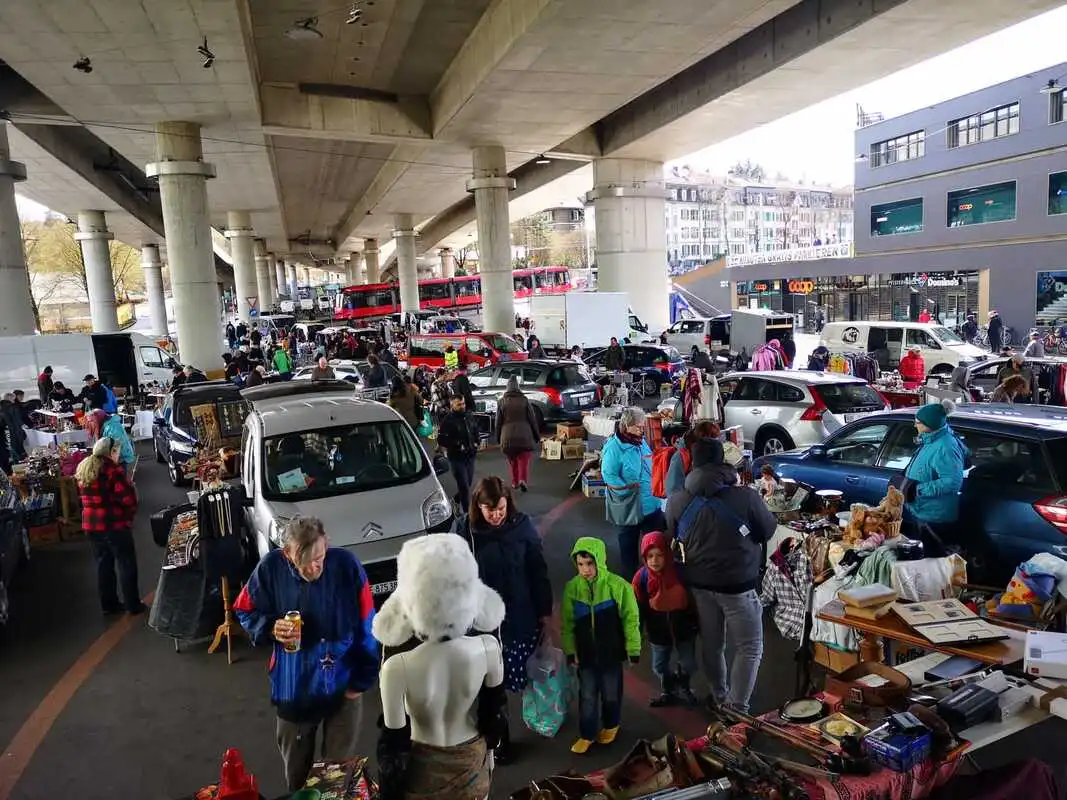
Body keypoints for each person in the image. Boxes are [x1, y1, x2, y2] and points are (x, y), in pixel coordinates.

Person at [234, 517, 381, 792]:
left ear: (327, 544)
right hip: (294, 689)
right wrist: (269, 627)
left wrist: (361, 681)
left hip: (343, 688)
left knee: (335, 779)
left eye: (321, 558)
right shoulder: (270, 568)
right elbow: (244, 609)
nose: (316, 567)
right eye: (307, 562)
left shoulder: (347, 565)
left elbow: (368, 623)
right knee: (298, 780)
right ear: (287, 553)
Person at [373, 535, 506, 800]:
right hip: (472, 760)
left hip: (422, 767)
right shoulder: (488, 647)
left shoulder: (396, 668)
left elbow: (394, 749)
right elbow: (494, 719)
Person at [665, 437, 776, 713]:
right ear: (723, 461)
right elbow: (767, 531)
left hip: (699, 584)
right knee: (749, 646)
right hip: (738, 585)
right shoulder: (747, 497)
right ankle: (737, 710)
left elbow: (671, 537)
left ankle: (719, 695)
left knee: (713, 644)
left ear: (693, 462)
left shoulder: (677, 501)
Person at [464, 478, 552, 762]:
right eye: (488, 509)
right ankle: (498, 740)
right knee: (490, 685)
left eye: (500, 508)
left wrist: (544, 612)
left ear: (508, 503)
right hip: (482, 624)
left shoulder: (522, 526)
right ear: (478, 507)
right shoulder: (465, 532)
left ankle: (544, 715)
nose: (496, 514)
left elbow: (538, 570)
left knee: (524, 675)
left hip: (519, 617)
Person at [560, 536, 641, 754]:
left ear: (600, 561)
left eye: (590, 563)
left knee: (611, 693)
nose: (585, 569)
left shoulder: (619, 587)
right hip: (586, 655)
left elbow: (631, 619)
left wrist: (633, 650)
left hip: (611, 654)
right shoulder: (572, 589)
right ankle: (586, 734)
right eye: (580, 564)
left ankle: (611, 724)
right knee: (587, 696)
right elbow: (567, 625)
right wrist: (570, 650)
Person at [75, 436, 143, 616]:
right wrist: (132, 495)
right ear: (110, 451)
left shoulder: (84, 467)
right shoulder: (112, 471)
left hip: (92, 526)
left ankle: (109, 605)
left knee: (103, 565)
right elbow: (127, 500)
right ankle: (132, 604)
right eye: (117, 450)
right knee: (126, 564)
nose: (118, 454)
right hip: (114, 525)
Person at [632, 532, 699, 707]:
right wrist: (637, 632)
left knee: (688, 664)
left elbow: (694, 599)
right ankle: (668, 689)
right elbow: (638, 606)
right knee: (659, 667)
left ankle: (684, 687)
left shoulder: (681, 572)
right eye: (650, 556)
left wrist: (697, 623)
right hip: (658, 631)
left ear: (667, 554)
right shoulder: (641, 578)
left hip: (684, 628)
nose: (654, 560)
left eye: (660, 555)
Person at [601, 407, 663, 579]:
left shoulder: (640, 441)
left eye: (642, 426)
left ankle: (654, 582)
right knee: (628, 549)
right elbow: (609, 474)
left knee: (654, 547)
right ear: (626, 425)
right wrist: (627, 490)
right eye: (637, 427)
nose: (641, 430)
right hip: (628, 506)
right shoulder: (613, 447)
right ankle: (631, 584)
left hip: (651, 504)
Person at [902, 400, 968, 557]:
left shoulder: (946, 447)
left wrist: (917, 490)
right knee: (923, 558)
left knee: (933, 562)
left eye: (918, 423)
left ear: (929, 424)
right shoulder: (931, 439)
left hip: (935, 517)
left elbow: (952, 483)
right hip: (924, 511)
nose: (914, 425)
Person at [437, 393, 481, 510]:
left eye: (463, 403)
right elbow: (441, 439)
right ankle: (468, 514)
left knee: (468, 483)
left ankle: (456, 500)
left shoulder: (469, 415)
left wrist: (477, 442)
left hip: (470, 456)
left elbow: (475, 430)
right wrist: (457, 444)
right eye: (459, 404)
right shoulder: (447, 420)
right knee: (464, 487)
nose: (462, 406)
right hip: (456, 458)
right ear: (452, 406)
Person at [496, 376, 540, 491]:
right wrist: (536, 436)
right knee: (523, 460)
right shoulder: (524, 400)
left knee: (512, 461)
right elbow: (532, 420)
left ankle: (515, 482)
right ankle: (522, 480)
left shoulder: (501, 401)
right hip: (524, 436)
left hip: (507, 437)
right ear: (518, 387)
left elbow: (498, 422)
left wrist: (498, 438)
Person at [665, 420, 720, 500]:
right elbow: (672, 490)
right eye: (712, 439)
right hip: (687, 505)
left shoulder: (704, 452)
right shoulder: (680, 457)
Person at [88, 409, 136, 477]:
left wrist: (111, 461)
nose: (91, 423)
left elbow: (117, 446)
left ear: (99, 418)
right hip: (115, 457)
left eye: (92, 421)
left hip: (120, 458)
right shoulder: (106, 425)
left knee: (120, 480)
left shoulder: (112, 428)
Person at [0, 394, 25, 461]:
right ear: (9, 399)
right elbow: (18, 422)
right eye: (13, 399)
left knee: (13, 454)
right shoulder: (12, 408)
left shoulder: (2, 408)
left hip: (8, 434)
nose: (14, 401)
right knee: (17, 452)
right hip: (14, 433)